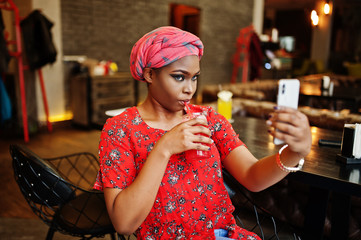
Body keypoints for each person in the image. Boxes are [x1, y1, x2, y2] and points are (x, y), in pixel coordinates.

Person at [93, 26, 312, 240]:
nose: (190, 89)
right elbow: (124, 223)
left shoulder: (209, 120)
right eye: (179, 77)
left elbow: (253, 177)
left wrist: (295, 153)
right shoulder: (120, 129)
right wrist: (164, 148)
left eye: (194, 77)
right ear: (150, 74)